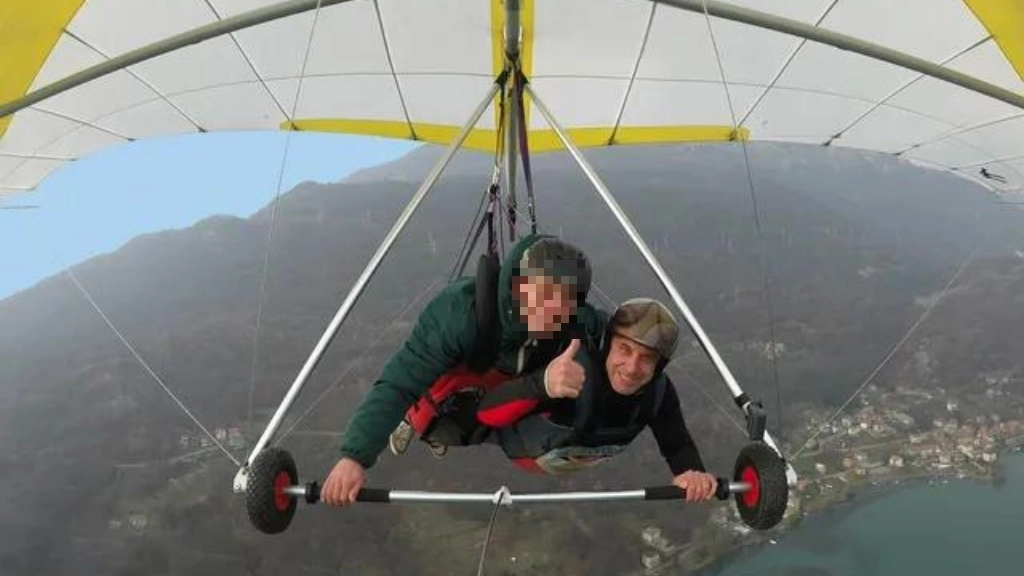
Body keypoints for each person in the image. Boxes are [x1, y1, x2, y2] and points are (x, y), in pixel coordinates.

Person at [320, 233, 604, 506]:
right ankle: (415, 420)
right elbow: (399, 383)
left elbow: (616, 332)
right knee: (441, 424)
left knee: (547, 401)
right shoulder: (458, 314)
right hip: (455, 391)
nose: (551, 309)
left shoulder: (572, 320)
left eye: (565, 300)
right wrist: (354, 457)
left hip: (503, 391)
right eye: (542, 294)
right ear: (518, 285)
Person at [416, 297, 719, 502]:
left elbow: (677, 444)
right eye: (624, 350)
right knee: (453, 423)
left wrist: (691, 473)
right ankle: (421, 413)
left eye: (646, 359)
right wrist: (542, 386)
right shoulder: (576, 377)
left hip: (562, 456)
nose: (631, 367)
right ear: (607, 344)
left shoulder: (658, 394)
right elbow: (487, 413)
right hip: (521, 442)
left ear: (658, 366)